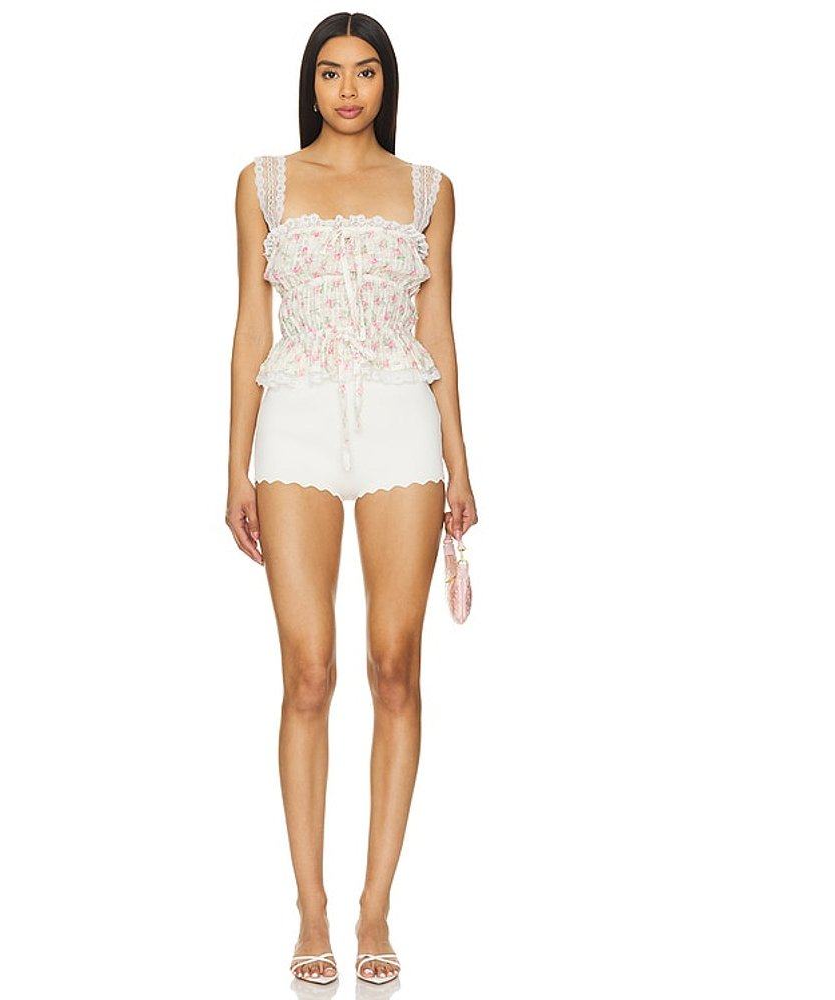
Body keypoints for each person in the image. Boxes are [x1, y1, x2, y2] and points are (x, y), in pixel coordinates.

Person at [225, 12, 478, 986]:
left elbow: (439, 327)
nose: (346, 90)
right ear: (311, 83)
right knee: (308, 671)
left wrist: (460, 463)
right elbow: (250, 327)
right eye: (330, 73)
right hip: (292, 418)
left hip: (399, 419)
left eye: (364, 72)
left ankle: (375, 907)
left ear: (385, 84)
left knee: (394, 665)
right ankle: (311, 908)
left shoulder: (428, 189)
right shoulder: (263, 182)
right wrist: (234, 466)